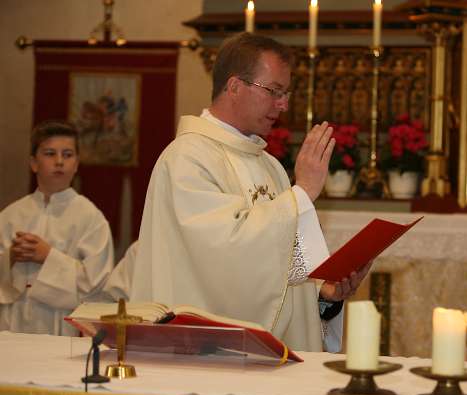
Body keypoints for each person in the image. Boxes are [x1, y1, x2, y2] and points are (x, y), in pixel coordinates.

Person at [131, 34, 369, 352]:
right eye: (274, 91)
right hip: (206, 356)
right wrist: (303, 192)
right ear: (234, 86)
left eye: (286, 93)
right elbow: (226, 256)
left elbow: (282, 269)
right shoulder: (186, 158)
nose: (283, 104)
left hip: (271, 361)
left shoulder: (268, 165)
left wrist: (324, 297)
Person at [0, 120, 114, 335]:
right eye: (50, 153)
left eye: (68, 154)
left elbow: (97, 284)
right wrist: (10, 257)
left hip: (60, 323)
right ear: (34, 163)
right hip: (11, 321)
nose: (59, 161)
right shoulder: (10, 215)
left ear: (77, 164)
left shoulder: (91, 218)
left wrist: (48, 256)